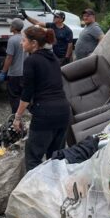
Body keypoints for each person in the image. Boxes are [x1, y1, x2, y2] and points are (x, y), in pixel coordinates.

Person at [13, 26, 71, 171]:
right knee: (56, 158)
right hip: (63, 111)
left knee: (33, 158)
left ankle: (35, 192)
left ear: (33, 43)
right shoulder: (53, 58)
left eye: (24, 40)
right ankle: (56, 190)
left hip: (45, 113)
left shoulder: (31, 61)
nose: (21, 43)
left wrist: (17, 117)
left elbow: (26, 94)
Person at [0, 18, 26, 113]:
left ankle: (15, 118)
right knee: (24, 96)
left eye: (11, 25)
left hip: (14, 74)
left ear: (14, 28)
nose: (10, 27)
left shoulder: (12, 40)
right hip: (25, 73)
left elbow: (9, 58)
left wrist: (3, 72)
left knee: (14, 97)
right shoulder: (25, 38)